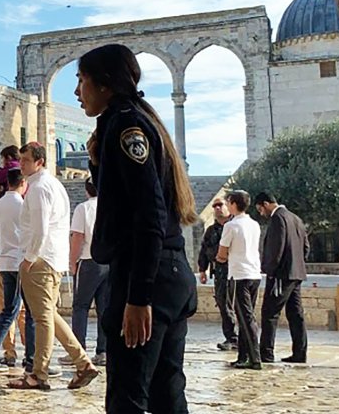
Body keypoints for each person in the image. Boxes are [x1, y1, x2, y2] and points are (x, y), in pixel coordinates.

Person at [77, 44, 198, 413]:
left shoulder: (127, 126)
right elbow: (124, 200)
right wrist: (98, 164)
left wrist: (138, 297)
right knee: (166, 396)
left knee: (128, 398)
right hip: (168, 274)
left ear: (104, 85)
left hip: (147, 277)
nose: (77, 91)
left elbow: (149, 214)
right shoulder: (129, 122)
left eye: (82, 81)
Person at [10, 142, 98, 391]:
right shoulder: (51, 185)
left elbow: (40, 228)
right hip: (50, 259)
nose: (22, 164)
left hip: (40, 260)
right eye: (21, 160)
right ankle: (83, 363)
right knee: (49, 314)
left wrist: (29, 257)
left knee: (42, 318)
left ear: (39, 162)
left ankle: (39, 374)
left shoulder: (39, 188)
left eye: (26, 160)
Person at [0, 167, 35, 373]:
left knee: (8, 311)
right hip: (20, 262)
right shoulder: (23, 205)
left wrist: (3, 241)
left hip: (3, 262)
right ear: (23, 183)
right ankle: (31, 358)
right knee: (27, 311)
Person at [255, 192, 308, 364]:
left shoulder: (278, 218)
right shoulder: (295, 218)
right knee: (295, 314)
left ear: (266, 204)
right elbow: (305, 247)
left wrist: (269, 270)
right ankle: (300, 353)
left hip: (281, 275)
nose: (261, 213)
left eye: (260, 209)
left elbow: (276, 248)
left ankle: (266, 353)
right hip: (296, 273)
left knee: (270, 313)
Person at [64, 177, 109, 367]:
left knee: (80, 306)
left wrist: (72, 262)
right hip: (107, 263)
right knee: (104, 308)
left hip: (89, 261)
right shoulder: (110, 208)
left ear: (87, 190)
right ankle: (103, 350)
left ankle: (78, 349)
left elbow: (78, 237)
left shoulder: (83, 208)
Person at [216, 190, 262, 370]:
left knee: (245, 317)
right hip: (254, 274)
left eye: (228, 203)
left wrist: (220, 259)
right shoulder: (254, 224)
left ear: (234, 204)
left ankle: (254, 357)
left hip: (238, 275)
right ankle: (243, 356)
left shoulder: (231, 226)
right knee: (245, 317)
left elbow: (222, 252)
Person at [198, 198, 238, 351]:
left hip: (236, 271)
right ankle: (231, 337)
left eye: (220, 205)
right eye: (214, 206)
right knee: (223, 304)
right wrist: (203, 270)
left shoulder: (235, 225)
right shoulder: (211, 231)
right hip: (220, 273)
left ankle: (245, 338)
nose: (217, 208)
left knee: (238, 305)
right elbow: (204, 250)